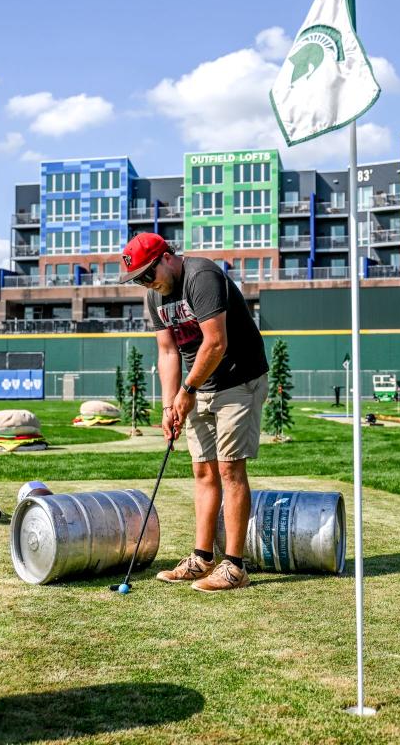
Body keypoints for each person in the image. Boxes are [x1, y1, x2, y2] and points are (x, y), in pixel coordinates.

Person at [120, 232, 269, 593]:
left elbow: (216, 342)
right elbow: (168, 351)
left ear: (167, 257)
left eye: (146, 273)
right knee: (203, 469)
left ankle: (234, 567)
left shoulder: (201, 276)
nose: (144, 282)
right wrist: (170, 404)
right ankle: (202, 558)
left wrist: (187, 391)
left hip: (238, 379)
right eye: (137, 278)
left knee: (230, 467)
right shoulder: (155, 295)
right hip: (197, 383)